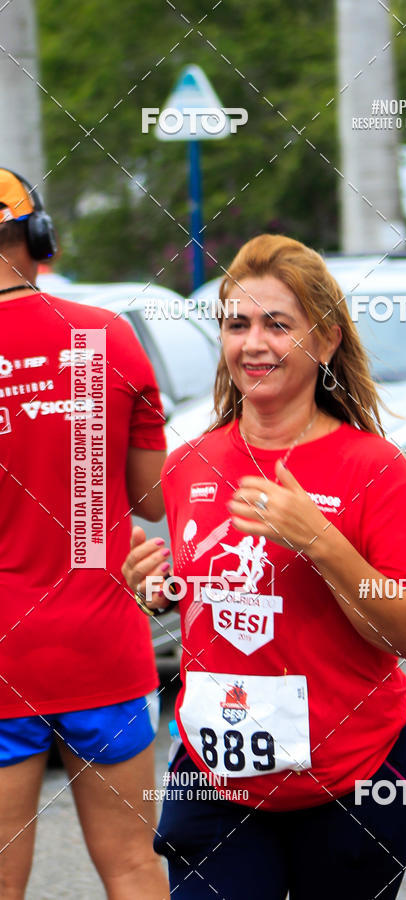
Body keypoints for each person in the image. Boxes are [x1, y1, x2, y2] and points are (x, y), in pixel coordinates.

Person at [123, 234, 406, 899]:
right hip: (215, 777)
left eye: (277, 324)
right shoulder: (191, 464)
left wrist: (322, 541)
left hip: (353, 779)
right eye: (238, 324)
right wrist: (159, 589)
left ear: (323, 342)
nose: (253, 343)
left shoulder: (374, 470)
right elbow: (213, 591)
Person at [0, 169, 169, 899]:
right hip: (104, 648)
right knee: (132, 865)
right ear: (40, 239)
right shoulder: (108, 336)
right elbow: (154, 500)